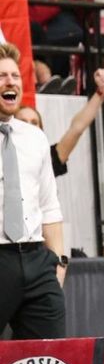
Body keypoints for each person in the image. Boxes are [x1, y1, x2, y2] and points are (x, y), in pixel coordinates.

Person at [0, 43, 68, 340]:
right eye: (1, 76)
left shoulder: (35, 138)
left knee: (49, 356)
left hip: (36, 259)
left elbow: (49, 206)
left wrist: (58, 262)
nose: (11, 81)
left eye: (15, 75)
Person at [16, 68, 104, 177]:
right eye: (22, 121)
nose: (29, 126)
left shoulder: (47, 161)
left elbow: (77, 129)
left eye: (34, 123)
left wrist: (101, 92)